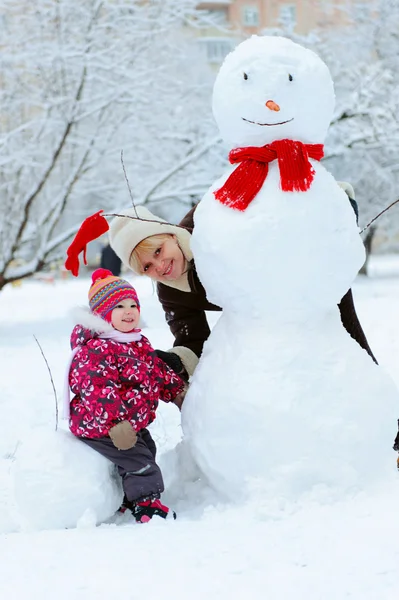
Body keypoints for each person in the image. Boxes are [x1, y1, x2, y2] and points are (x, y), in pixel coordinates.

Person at [108, 183, 377, 378]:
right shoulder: (171, 292)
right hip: (268, 311)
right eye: (147, 266)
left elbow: (269, 191)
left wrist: (336, 204)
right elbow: (193, 340)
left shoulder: (210, 218)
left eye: (158, 251)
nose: (160, 266)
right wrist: (176, 361)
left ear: (170, 235)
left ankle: (388, 423)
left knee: (351, 344)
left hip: (305, 272)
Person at [66, 268, 186, 523]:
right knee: (139, 459)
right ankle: (147, 506)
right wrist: (115, 423)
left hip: (128, 422)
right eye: (119, 306)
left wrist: (176, 392)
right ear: (102, 313)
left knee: (148, 448)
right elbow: (97, 390)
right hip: (100, 424)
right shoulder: (96, 349)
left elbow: (156, 371)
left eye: (133, 304)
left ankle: (129, 497)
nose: (129, 311)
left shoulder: (134, 342)